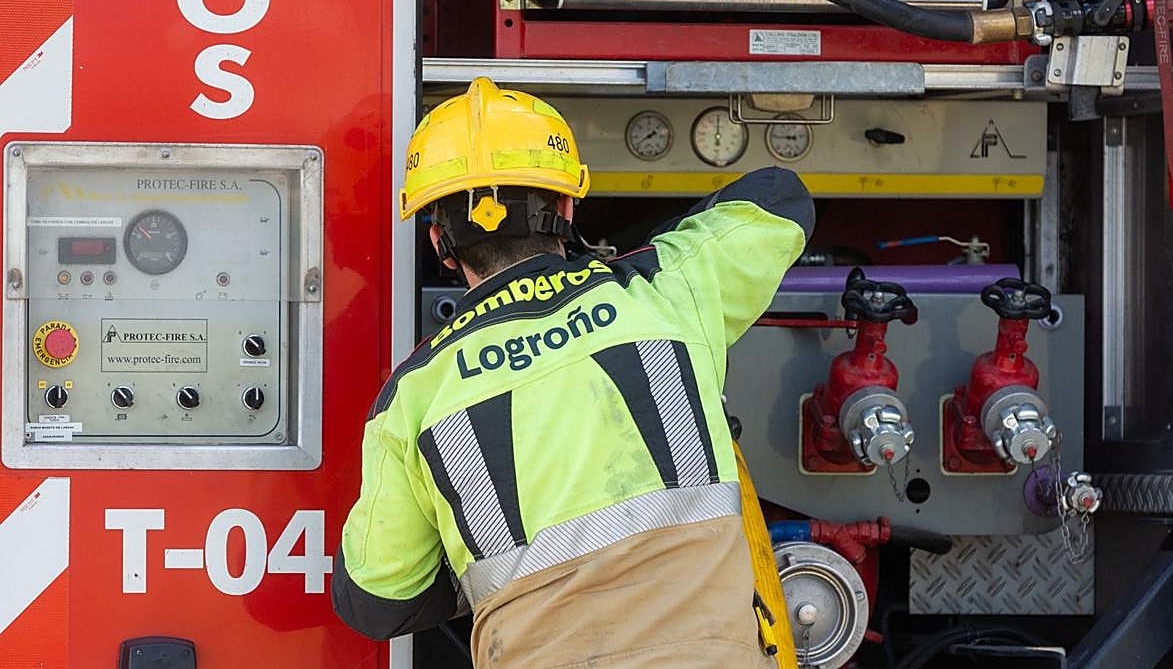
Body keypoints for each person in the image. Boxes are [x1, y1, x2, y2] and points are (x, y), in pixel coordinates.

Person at [332, 77, 815, 668]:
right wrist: (635, 260)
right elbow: (779, 197)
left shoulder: (413, 397)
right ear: (566, 207)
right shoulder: (668, 290)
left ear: (440, 242)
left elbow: (377, 603)